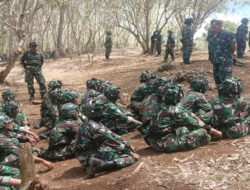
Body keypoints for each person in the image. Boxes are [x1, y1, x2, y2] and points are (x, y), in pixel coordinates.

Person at [138, 83, 222, 153]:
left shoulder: (161, 106)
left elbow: (189, 113)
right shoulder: (175, 110)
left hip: (152, 141)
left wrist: (197, 119)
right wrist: (217, 132)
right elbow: (198, 125)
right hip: (164, 144)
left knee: (184, 129)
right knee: (203, 132)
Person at [76, 109, 139, 178]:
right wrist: (131, 153)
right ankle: (102, 165)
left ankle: (96, 163)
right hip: (90, 156)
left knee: (117, 150)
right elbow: (113, 142)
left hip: (85, 155)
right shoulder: (96, 128)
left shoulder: (90, 123)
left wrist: (128, 145)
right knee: (129, 158)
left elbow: (111, 134)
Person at [0, 116, 53, 189]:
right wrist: (42, 160)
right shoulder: (1, 139)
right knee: (16, 171)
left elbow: (16, 139)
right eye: (9, 123)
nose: (12, 123)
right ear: (4, 126)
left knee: (17, 170)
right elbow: (20, 153)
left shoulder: (5, 133)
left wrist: (31, 146)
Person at [212, 20, 236, 88]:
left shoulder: (228, 34)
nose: (213, 29)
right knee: (217, 78)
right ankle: (221, 95)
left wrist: (228, 55)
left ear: (219, 26)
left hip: (225, 61)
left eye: (214, 27)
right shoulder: (215, 35)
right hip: (216, 61)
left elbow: (233, 46)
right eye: (212, 28)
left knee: (226, 79)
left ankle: (228, 96)